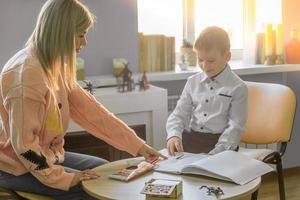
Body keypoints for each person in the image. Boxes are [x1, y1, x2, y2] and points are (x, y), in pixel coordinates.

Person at [0, 0, 163, 199]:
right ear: (62, 33)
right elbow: (25, 149)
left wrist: (139, 146)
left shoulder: (53, 66)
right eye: (81, 35)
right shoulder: (27, 75)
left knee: (104, 170)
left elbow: (94, 114)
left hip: (48, 155)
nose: (84, 42)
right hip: (14, 167)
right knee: (94, 187)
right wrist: (65, 179)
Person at [166, 26, 248, 156]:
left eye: (211, 61)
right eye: (200, 60)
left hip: (221, 144)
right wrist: (173, 135)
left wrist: (214, 154)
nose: (205, 66)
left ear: (227, 56)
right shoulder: (192, 82)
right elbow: (179, 114)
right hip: (193, 139)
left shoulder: (238, 87)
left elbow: (235, 128)